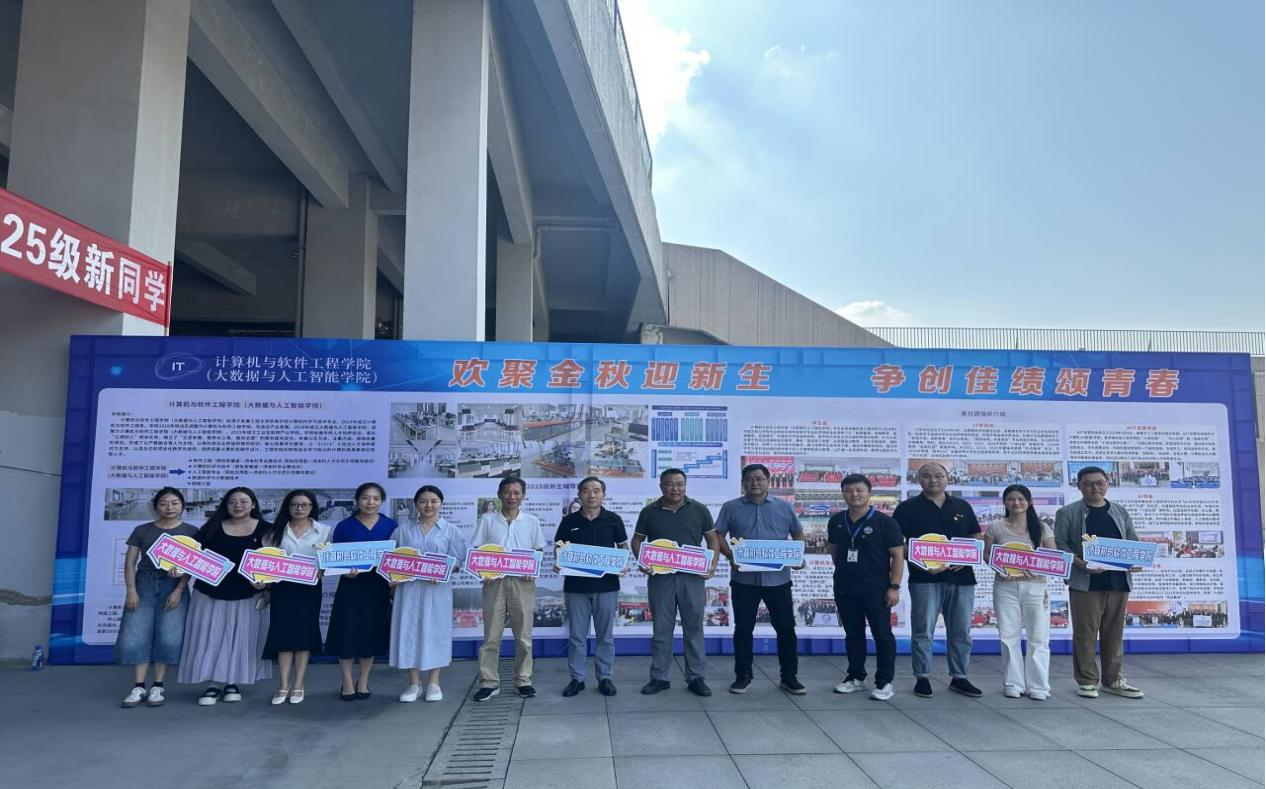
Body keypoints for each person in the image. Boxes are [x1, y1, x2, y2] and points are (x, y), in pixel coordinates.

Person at [893, 462, 984, 698]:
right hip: (924, 578)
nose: (933, 480)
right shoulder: (907, 508)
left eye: (939, 475)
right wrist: (922, 561)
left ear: (947, 478)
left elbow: (976, 537)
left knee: (961, 631)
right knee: (923, 630)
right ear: (918, 480)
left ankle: (960, 677)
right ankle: (922, 677)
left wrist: (966, 557)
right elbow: (896, 543)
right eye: (927, 476)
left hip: (961, 578)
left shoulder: (962, 506)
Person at [715, 463, 806, 695]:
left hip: (778, 580)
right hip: (744, 580)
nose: (754, 483)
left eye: (759, 478)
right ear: (743, 483)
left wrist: (797, 555)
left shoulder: (784, 507)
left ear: (768, 481)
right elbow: (718, 535)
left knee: (786, 629)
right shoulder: (730, 507)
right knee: (743, 629)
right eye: (749, 479)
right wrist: (730, 556)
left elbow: (797, 533)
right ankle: (743, 676)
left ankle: (789, 677)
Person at [1054, 466, 1145, 699]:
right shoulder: (1068, 512)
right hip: (1085, 581)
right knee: (1085, 634)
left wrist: (1136, 560)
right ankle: (1086, 680)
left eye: (1099, 483)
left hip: (1118, 581)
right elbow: (1060, 544)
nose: (1094, 487)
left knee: (1114, 633)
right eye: (1088, 483)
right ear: (1079, 486)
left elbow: (1132, 541)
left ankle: (1113, 680)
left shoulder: (1120, 511)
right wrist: (1080, 563)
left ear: (1107, 484)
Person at [177, 487, 272, 705]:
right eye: (232, 502)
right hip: (209, 593)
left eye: (243, 501)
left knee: (240, 639)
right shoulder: (211, 527)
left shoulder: (267, 530)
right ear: (225, 505)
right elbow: (192, 556)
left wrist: (267, 586)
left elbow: (273, 563)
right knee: (211, 637)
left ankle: (232, 682)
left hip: (248, 595)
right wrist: (178, 569)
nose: (238, 505)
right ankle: (212, 684)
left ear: (253, 504)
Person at [631, 468, 720, 697]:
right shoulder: (649, 511)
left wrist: (712, 564)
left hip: (692, 578)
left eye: (680, 484)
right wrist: (643, 561)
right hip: (661, 579)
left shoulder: (699, 509)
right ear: (661, 486)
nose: (675, 489)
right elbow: (637, 540)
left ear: (685, 485)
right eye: (670, 484)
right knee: (661, 629)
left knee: (694, 628)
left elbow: (712, 539)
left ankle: (696, 677)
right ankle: (659, 677)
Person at [115, 488, 198, 708]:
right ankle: (138, 686)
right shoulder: (142, 530)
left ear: (182, 506)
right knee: (137, 632)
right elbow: (130, 562)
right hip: (144, 582)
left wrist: (179, 589)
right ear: (155, 507)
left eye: (174, 503)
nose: (169, 508)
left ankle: (158, 686)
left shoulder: (191, 532)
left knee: (169, 634)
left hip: (174, 585)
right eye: (163, 503)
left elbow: (192, 565)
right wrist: (131, 590)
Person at [827, 474, 904, 701]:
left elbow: (897, 556)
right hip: (845, 588)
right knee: (853, 635)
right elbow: (835, 552)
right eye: (849, 491)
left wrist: (894, 586)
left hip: (877, 589)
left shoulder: (885, 523)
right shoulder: (836, 521)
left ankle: (884, 682)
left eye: (859, 490)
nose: (854, 495)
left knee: (882, 635)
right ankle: (855, 677)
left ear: (869, 493)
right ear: (843, 493)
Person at [553, 476, 628, 698]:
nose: (591, 494)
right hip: (576, 587)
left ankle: (605, 677)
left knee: (605, 635)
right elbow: (559, 548)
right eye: (586, 490)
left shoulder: (613, 520)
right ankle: (577, 679)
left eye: (596, 490)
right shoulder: (569, 521)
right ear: (579, 495)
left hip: (607, 586)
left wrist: (623, 564)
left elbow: (623, 546)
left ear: (603, 495)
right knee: (577, 636)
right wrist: (559, 561)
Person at [391, 485, 466, 703]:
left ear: (441, 503)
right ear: (416, 504)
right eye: (423, 501)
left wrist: (443, 570)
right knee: (409, 631)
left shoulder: (451, 530)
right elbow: (390, 557)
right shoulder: (403, 530)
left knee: (435, 632)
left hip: (437, 590)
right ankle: (414, 683)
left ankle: (434, 682)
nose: (428, 505)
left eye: (433, 501)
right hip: (409, 589)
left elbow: (458, 559)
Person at [471, 477, 544, 701]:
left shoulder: (531, 521)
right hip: (494, 582)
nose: (512, 497)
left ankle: (523, 681)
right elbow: (477, 549)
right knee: (491, 635)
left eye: (516, 493)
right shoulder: (487, 520)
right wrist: (483, 571)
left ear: (523, 496)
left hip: (523, 583)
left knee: (523, 636)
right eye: (507, 492)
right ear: (499, 495)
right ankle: (489, 682)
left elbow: (538, 550)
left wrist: (532, 568)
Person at [326, 482, 398, 701]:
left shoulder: (391, 526)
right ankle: (347, 681)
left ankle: (364, 680)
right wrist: (343, 571)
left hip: (378, 587)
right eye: (366, 498)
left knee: (371, 634)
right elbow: (334, 559)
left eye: (375, 498)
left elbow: (397, 558)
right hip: (351, 587)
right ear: (357, 501)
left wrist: (394, 583)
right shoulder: (344, 526)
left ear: (381, 501)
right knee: (347, 633)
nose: (370, 502)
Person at [982, 484, 1055, 700]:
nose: (1016, 503)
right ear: (1004, 502)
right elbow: (987, 555)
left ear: (1029, 502)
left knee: (1038, 637)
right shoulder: (995, 527)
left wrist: (1037, 568)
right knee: (1008, 636)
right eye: (1011, 499)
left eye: (1021, 499)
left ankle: (1039, 686)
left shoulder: (1041, 527)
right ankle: (1013, 683)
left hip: (1036, 587)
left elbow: (1053, 556)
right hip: (1005, 587)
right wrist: (1000, 570)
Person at [260, 489, 330, 705]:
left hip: (309, 589)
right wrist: (263, 581)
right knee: (283, 636)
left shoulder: (323, 531)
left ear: (312, 507)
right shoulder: (275, 531)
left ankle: (298, 684)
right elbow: (265, 560)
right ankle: (283, 685)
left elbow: (327, 561)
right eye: (295, 505)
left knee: (304, 636)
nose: (299, 508)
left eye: (305, 505)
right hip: (282, 589)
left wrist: (321, 571)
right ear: (287, 507)